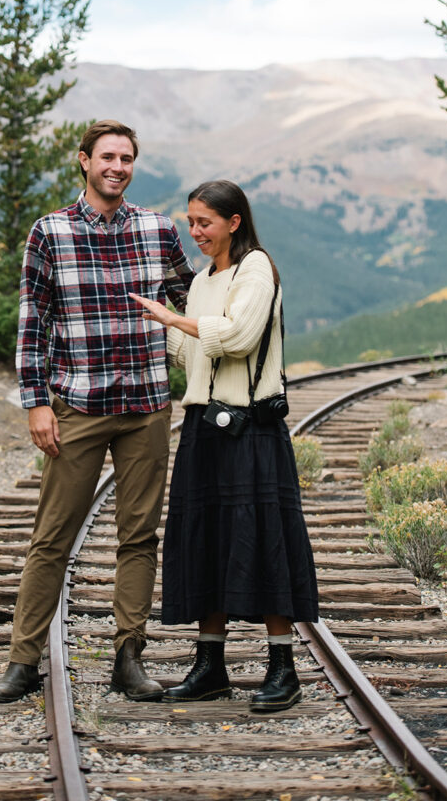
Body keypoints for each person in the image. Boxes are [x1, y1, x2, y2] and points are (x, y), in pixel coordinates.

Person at [0, 120, 195, 704]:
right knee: (51, 537)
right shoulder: (49, 231)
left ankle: (129, 658)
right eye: (107, 157)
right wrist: (35, 403)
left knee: (139, 537)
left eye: (127, 158)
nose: (118, 167)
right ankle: (22, 662)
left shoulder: (157, 229)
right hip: (76, 405)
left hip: (147, 405)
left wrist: (250, 277)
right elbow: (33, 322)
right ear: (84, 161)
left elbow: (192, 299)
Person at [129, 179, 318, 712]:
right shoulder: (206, 280)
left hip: (252, 427)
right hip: (204, 427)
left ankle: (283, 668)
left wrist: (172, 317)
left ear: (234, 222)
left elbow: (238, 337)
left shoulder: (256, 267)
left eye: (204, 222)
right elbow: (196, 351)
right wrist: (149, 324)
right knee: (205, 540)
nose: (195, 232)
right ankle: (210, 666)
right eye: (190, 222)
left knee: (264, 542)